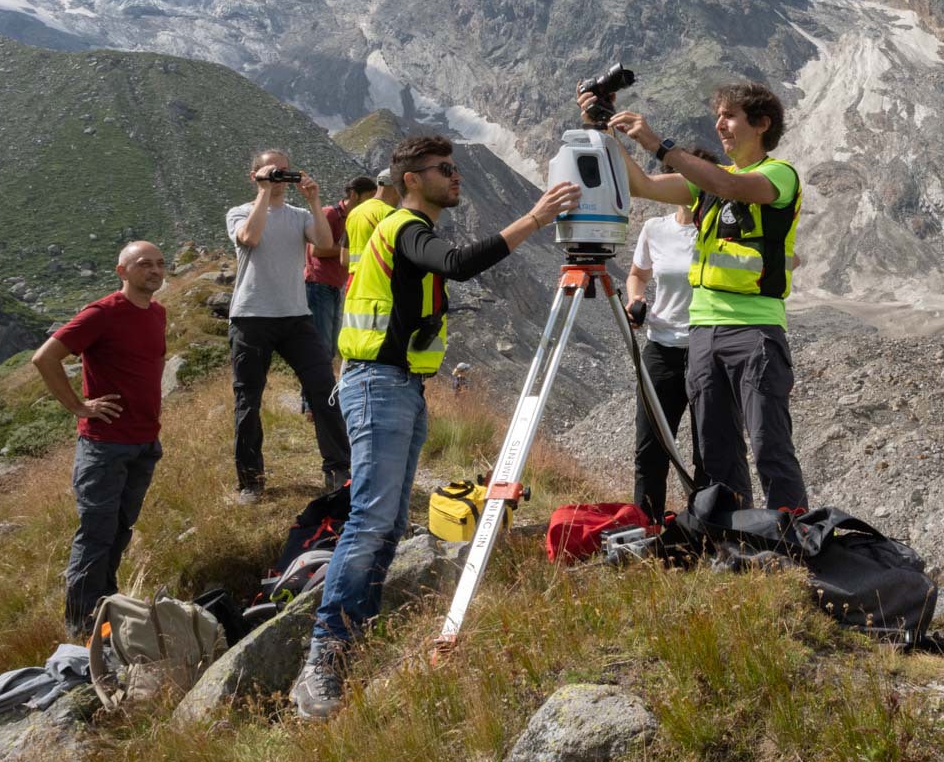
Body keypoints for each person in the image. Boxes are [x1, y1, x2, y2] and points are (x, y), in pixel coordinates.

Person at [291, 134, 578, 720]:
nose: (456, 177)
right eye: (443, 169)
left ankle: (353, 635)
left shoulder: (404, 230)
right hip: (379, 384)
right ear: (412, 179)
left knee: (389, 520)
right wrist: (534, 218)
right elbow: (457, 265)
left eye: (455, 168)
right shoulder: (403, 228)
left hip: (399, 386)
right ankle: (323, 656)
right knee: (372, 518)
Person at [585, 82, 807, 513]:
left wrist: (657, 142)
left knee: (768, 445)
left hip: (754, 329)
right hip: (703, 331)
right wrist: (601, 130)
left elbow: (730, 185)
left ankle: (794, 545)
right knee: (718, 449)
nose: (719, 125)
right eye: (719, 115)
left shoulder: (779, 175)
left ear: (761, 124)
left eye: (730, 116)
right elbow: (640, 183)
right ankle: (730, 539)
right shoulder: (703, 187)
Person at [31, 241, 169, 637]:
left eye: (160, 264)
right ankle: (80, 626)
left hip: (144, 442)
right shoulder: (102, 313)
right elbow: (45, 357)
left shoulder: (157, 312)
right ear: (122, 271)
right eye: (144, 264)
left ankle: (105, 607)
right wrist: (78, 405)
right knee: (96, 534)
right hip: (105, 445)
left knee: (121, 529)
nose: (155, 271)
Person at [226, 150, 352, 500]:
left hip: (295, 315)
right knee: (248, 400)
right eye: (272, 171)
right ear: (254, 175)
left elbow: (325, 244)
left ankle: (338, 470)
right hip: (251, 316)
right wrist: (265, 192)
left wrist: (313, 201)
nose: (280, 177)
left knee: (324, 388)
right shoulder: (239, 212)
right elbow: (250, 237)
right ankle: (251, 480)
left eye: (285, 171)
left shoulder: (298, 216)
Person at [624, 145, 720, 522]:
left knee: (708, 451)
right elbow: (637, 273)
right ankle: (646, 528)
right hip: (661, 349)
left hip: (708, 349)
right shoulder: (655, 229)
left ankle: (706, 530)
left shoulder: (720, 232)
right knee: (650, 448)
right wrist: (636, 300)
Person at [301, 176, 375, 413]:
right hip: (318, 284)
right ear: (354, 195)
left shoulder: (354, 218)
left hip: (334, 287)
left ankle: (318, 402)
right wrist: (348, 249)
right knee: (320, 346)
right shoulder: (330, 214)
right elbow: (317, 248)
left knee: (330, 347)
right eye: (368, 198)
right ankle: (312, 404)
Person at [343, 168, 400, 277]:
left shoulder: (354, 212)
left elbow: (344, 259)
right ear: (396, 189)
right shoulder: (390, 214)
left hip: (354, 282)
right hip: (376, 281)